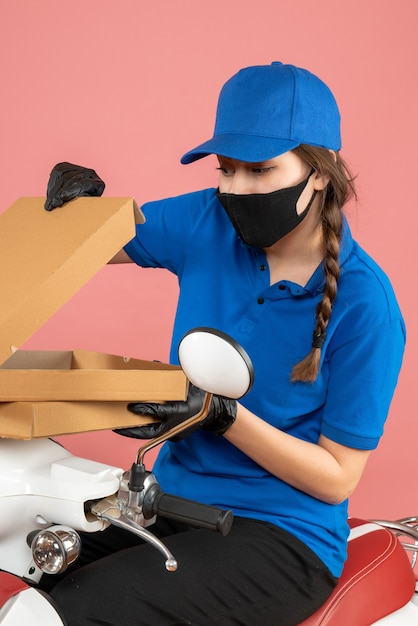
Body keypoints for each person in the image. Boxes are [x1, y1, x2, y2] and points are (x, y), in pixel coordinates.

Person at [43, 62, 405, 625]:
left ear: (319, 174)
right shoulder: (209, 220)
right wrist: (77, 211)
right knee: (26, 564)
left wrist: (219, 415)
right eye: (226, 169)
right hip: (169, 504)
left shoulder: (367, 305)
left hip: (284, 537)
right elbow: (93, 246)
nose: (235, 189)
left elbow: (337, 478)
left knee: (62, 613)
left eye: (259, 170)